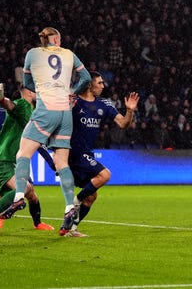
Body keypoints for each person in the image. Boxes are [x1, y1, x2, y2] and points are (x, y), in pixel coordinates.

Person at [0, 27, 91, 236]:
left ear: (43, 40)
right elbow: (85, 77)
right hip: (65, 112)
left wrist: (41, 87)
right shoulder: (69, 53)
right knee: (62, 163)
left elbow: (29, 83)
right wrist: (72, 93)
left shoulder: (33, 53)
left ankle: (19, 197)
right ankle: (69, 208)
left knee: (23, 154)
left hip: (45, 109)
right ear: (57, 39)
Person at [67, 71, 139, 237]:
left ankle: (71, 229)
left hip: (88, 154)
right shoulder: (75, 102)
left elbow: (123, 124)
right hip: (74, 152)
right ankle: (75, 202)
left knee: (91, 196)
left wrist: (130, 111)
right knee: (105, 175)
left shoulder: (104, 105)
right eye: (99, 83)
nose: (103, 86)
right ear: (89, 85)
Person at [0, 83, 57, 230]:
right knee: (24, 188)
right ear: (29, 93)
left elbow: (36, 141)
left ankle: (37, 223)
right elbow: (9, 105)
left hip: (13, 160)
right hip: (5, 158)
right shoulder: (22, 105)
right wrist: (1, 98)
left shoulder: (32, 111)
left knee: (31, 194)